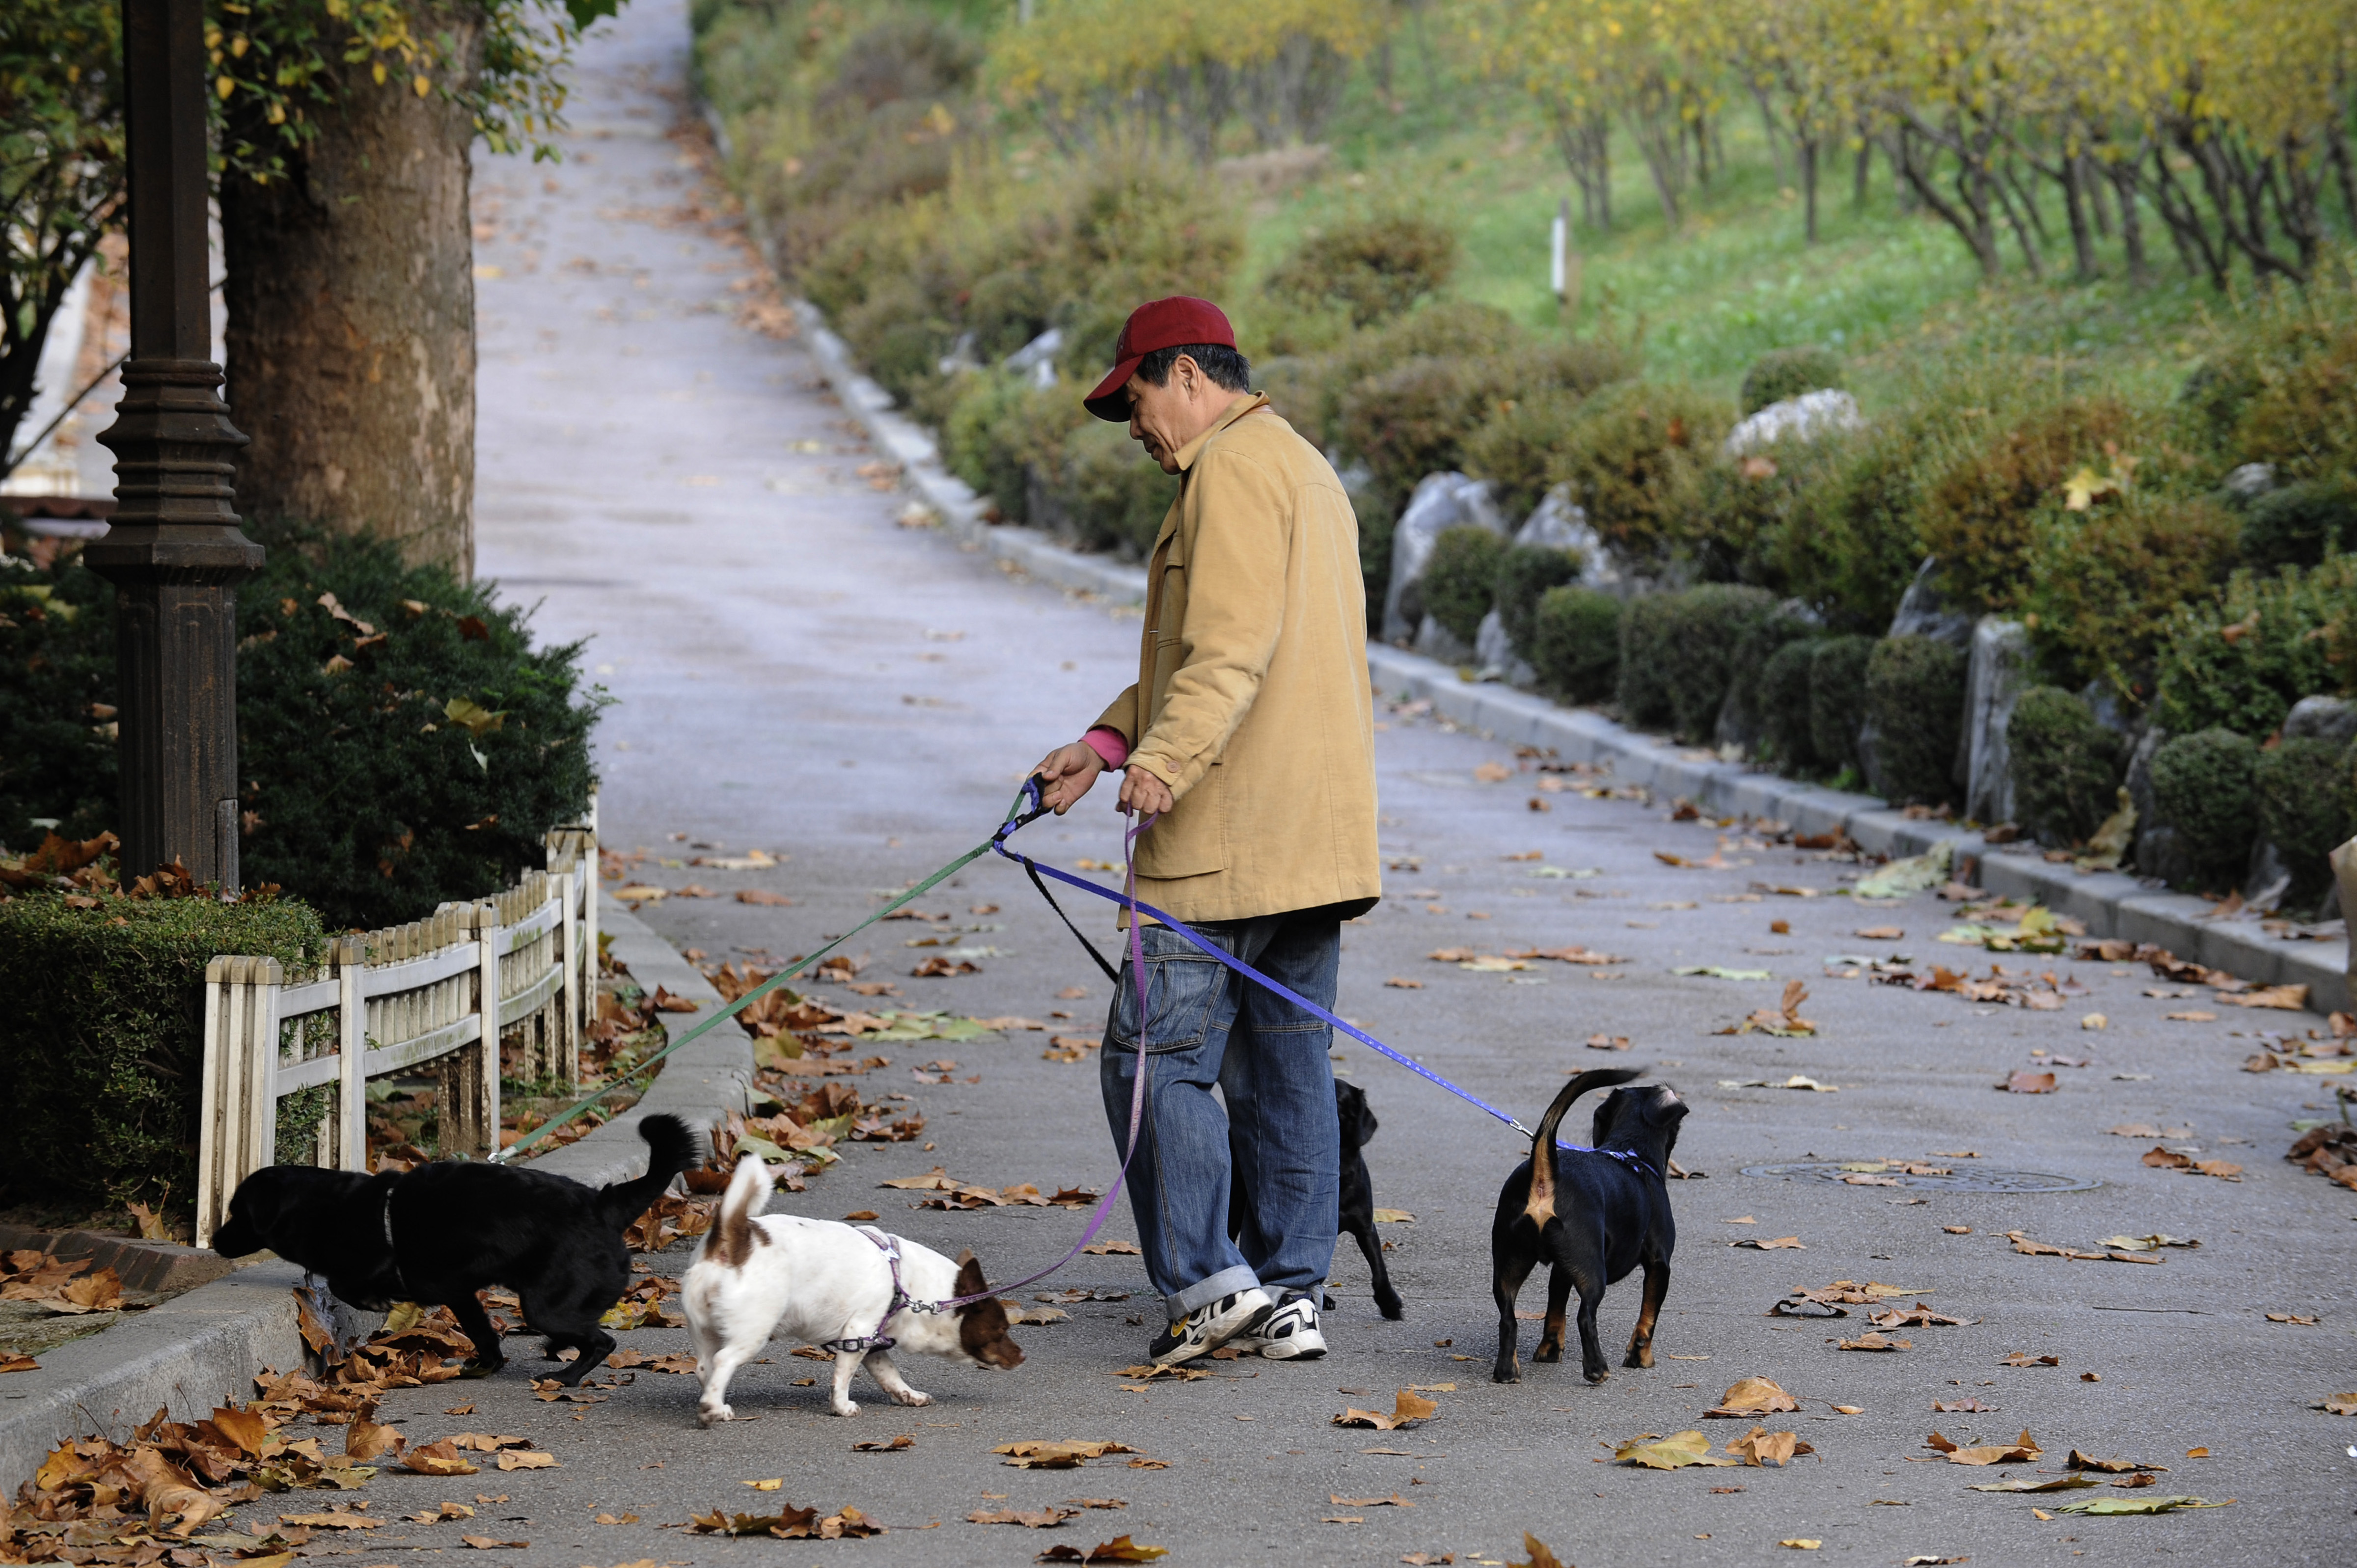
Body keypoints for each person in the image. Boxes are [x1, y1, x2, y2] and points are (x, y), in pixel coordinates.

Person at [1029, 296, 1380, 1365]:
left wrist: (1163, 761)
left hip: (1227, 835)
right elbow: (1215, 654)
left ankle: (1208, 1284)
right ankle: (1290, 1295)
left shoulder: (1226, 471)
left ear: (1186, 374)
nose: (1134, 426)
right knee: (1287, 1070)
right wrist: (1104, 743)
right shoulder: (1302, 466)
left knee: (1150, 1057)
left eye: (1134, 397)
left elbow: (1225, 652)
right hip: (1311, 842)